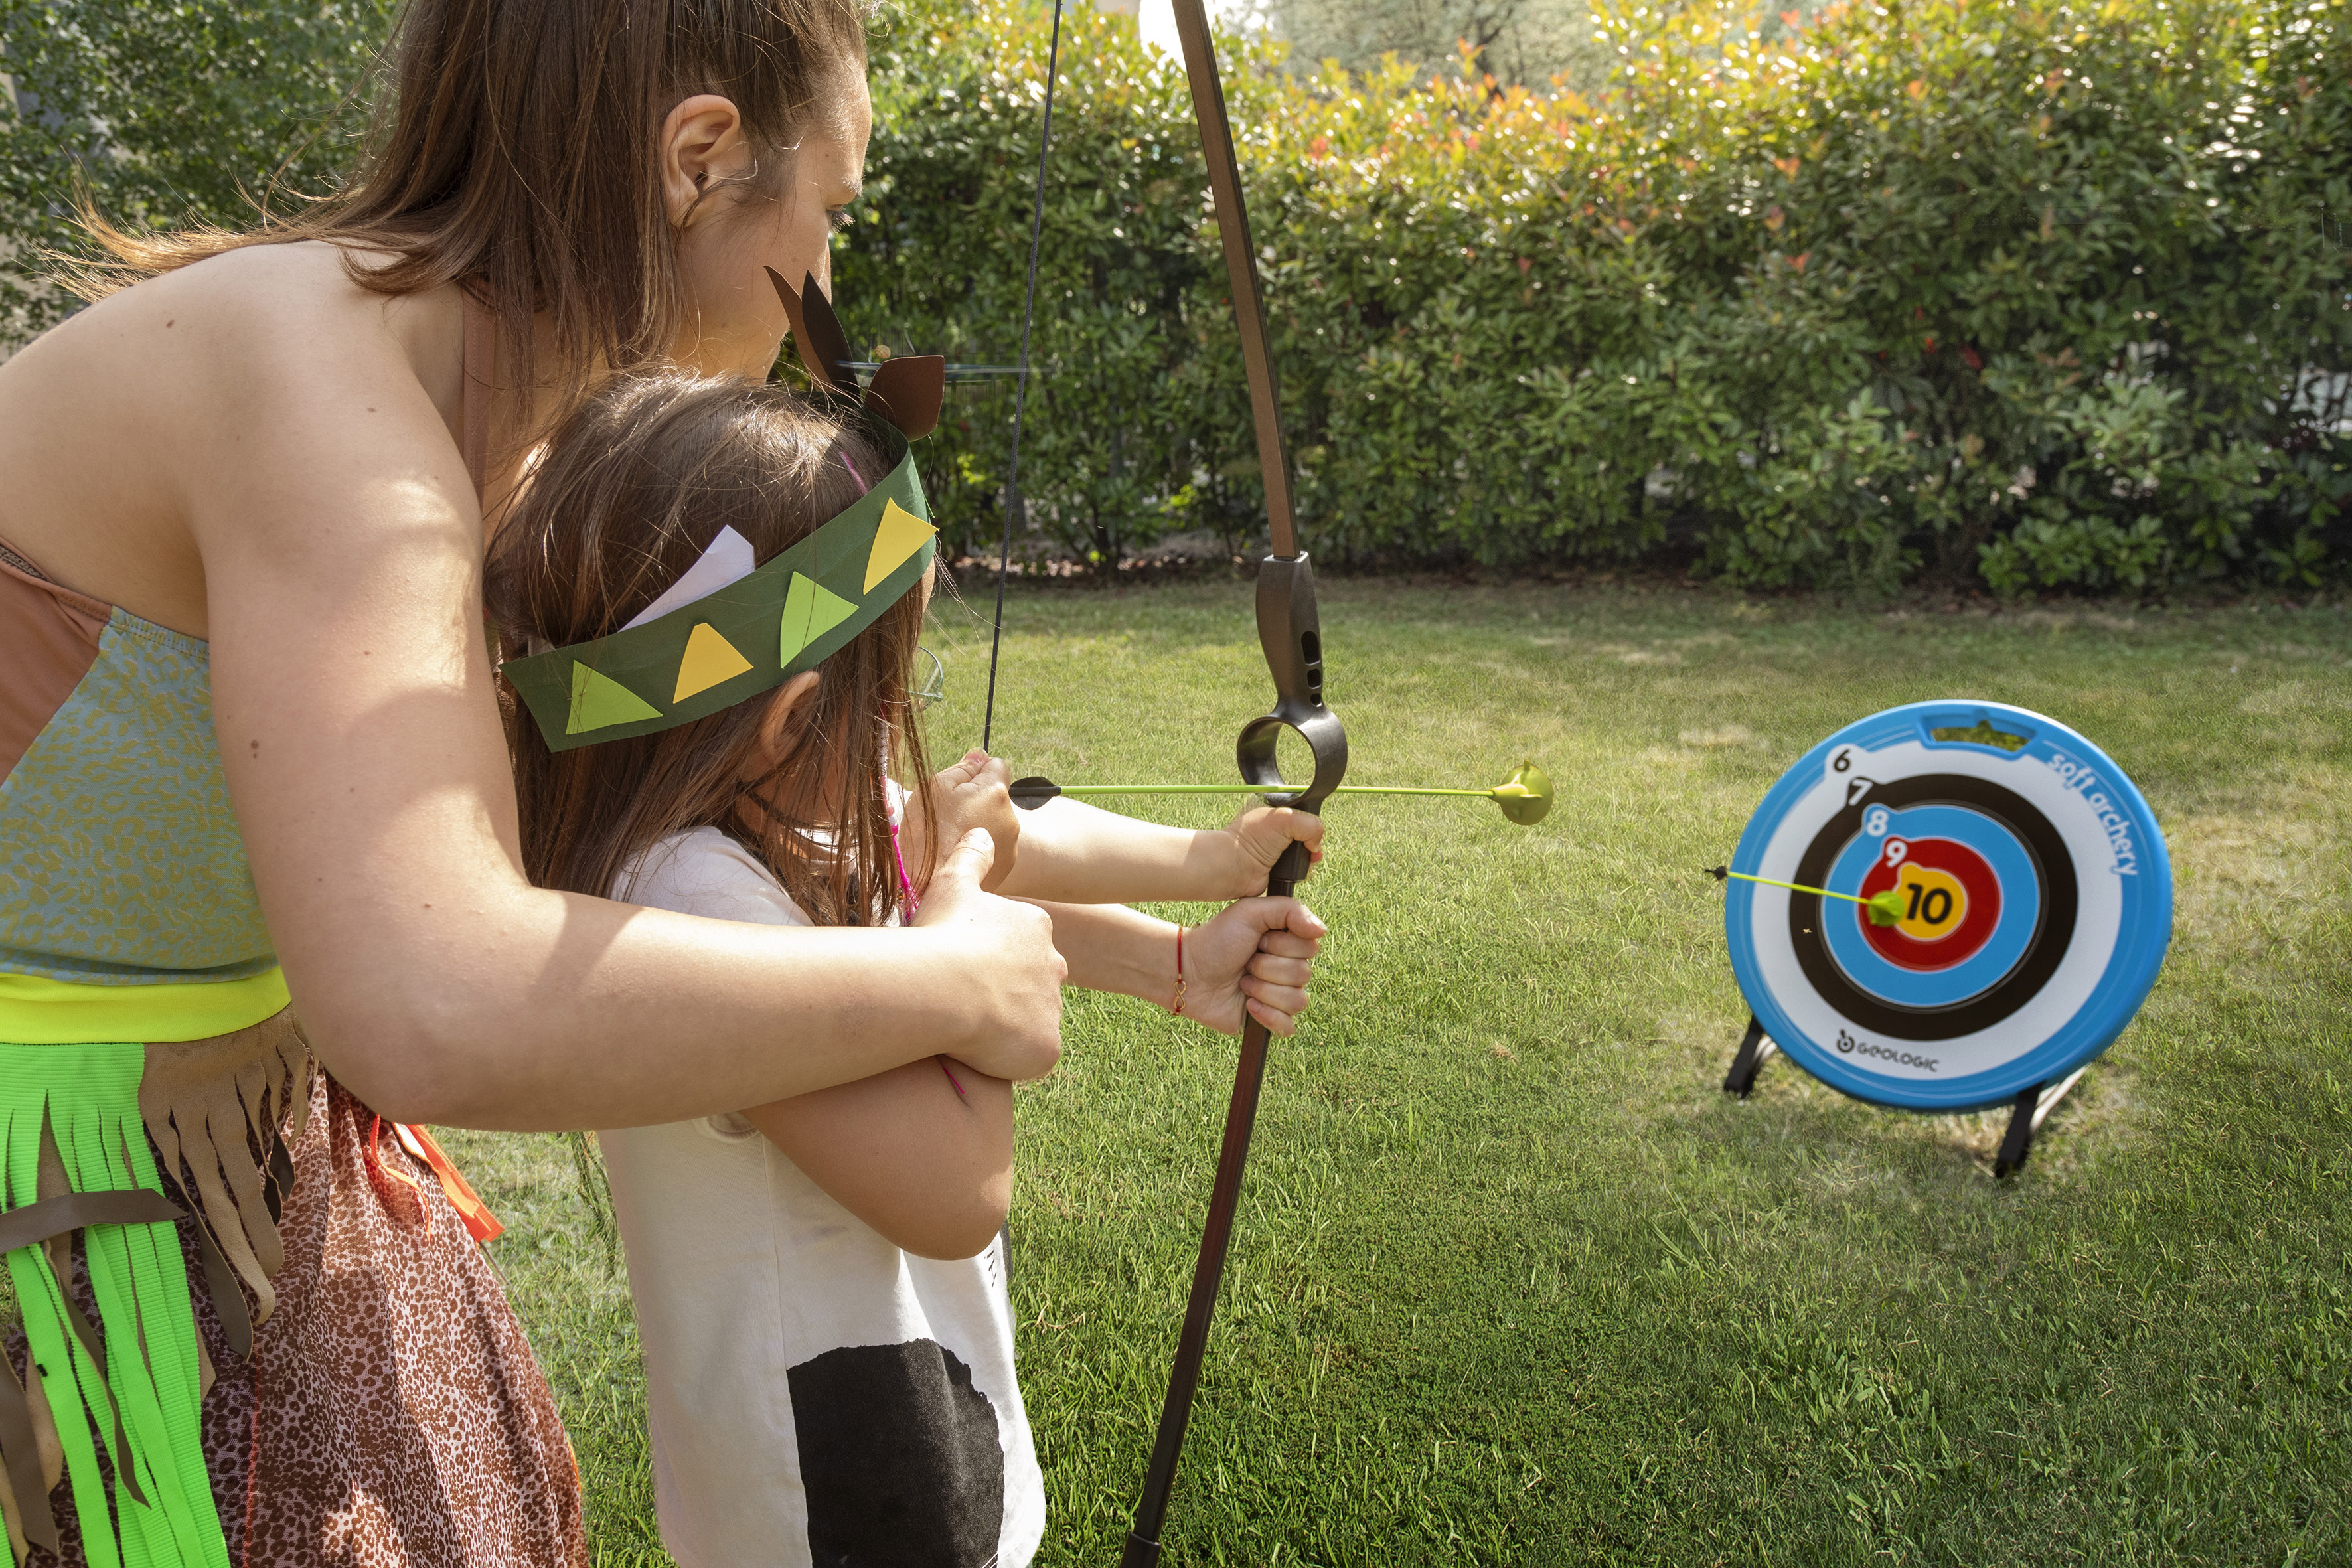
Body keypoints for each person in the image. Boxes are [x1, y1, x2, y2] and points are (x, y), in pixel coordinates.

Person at [0, 0, 1324, 1561]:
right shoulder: (321, 402)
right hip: (63, 1194)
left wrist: (1156, 951)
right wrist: (955, 990)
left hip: (223, 1142)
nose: (826, 292)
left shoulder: (516, 460)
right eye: (825, 216)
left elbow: (742, 850)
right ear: (699, 158)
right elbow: (435, 995)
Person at [484, 368, 1323, 1568]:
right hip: (840, 1484)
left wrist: (1194, 915)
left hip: (903, 1414)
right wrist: (958, 907)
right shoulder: (695, 905)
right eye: (896, 691)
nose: (903, 727)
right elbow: (952, 1189)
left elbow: (976, 833)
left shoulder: (750, 804)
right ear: (787, 719)